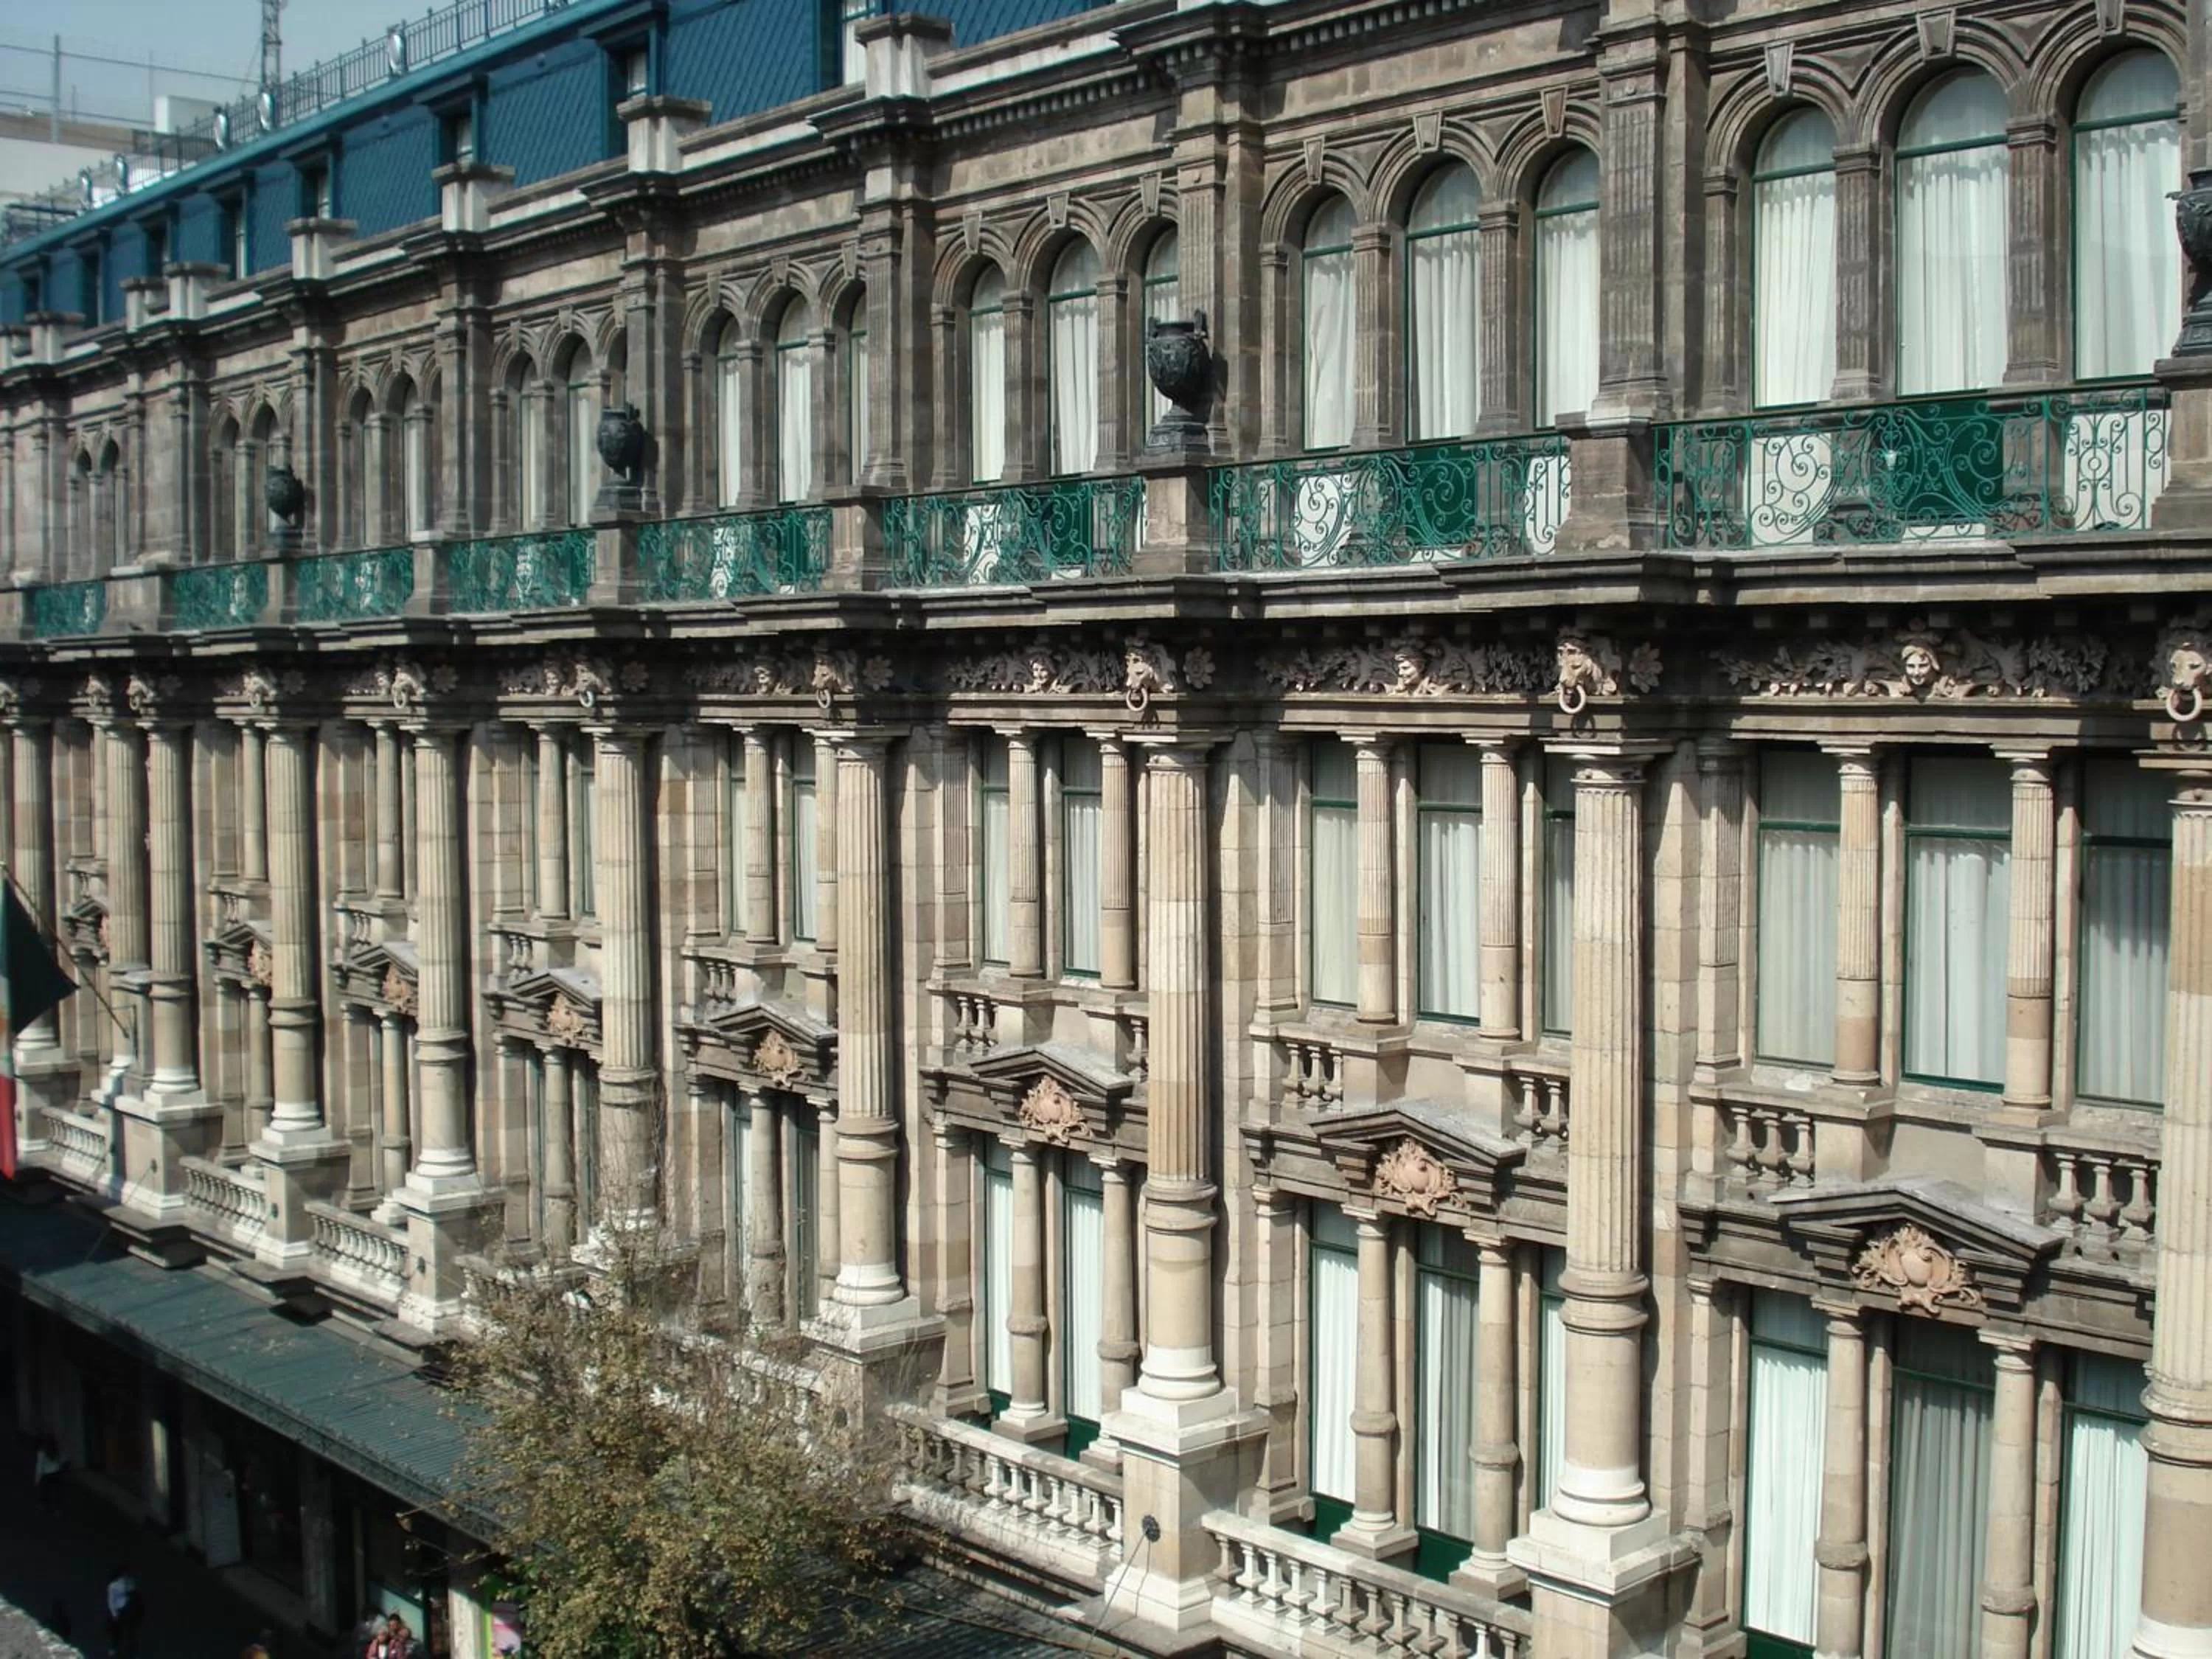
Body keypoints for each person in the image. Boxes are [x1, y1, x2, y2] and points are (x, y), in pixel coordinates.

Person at [104, 1563, 142, 1659]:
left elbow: (134, 1595)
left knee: (130, 1632)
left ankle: (130, 1652)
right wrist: (114, 1614)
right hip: (118, 1611)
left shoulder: (130, 1583)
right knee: (116, 1632)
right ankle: (114, 1648)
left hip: (128, 1610)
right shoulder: (113, 1586)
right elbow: (111, 1601)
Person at [32, 1433, 62, 1509]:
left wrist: (37, 1480)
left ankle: (47, 1507)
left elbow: (39, 1467)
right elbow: (59, 1461)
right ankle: (57, 1507)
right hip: (56, 1473)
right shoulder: (55, 1450)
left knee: (45, 1491)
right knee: (56, 1491)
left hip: (47, 1475)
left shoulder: (42, 1453)